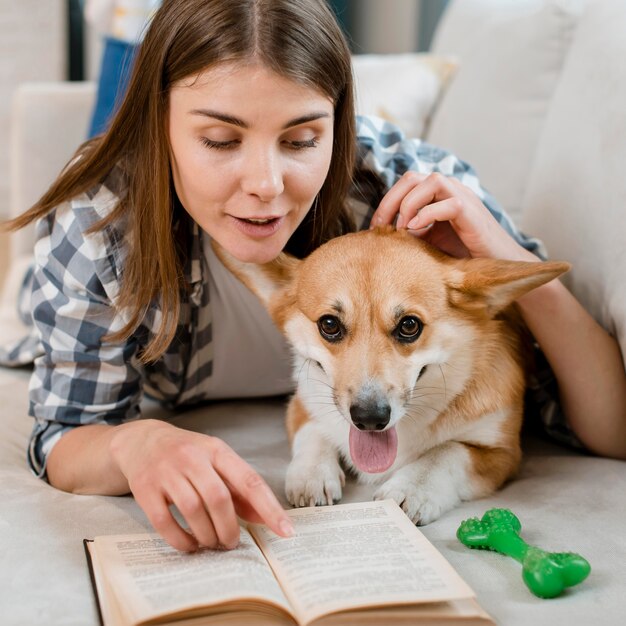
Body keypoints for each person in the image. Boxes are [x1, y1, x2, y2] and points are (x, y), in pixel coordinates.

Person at [2, 0, 624, 553]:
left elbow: (609, 426)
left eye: (301, 139)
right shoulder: (98, 229)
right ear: (158, 124)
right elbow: (63, 435)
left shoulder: (404, 185)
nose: (266, 186)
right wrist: (133, 443)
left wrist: (497, 246)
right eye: (220, 139)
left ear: (340, 123)